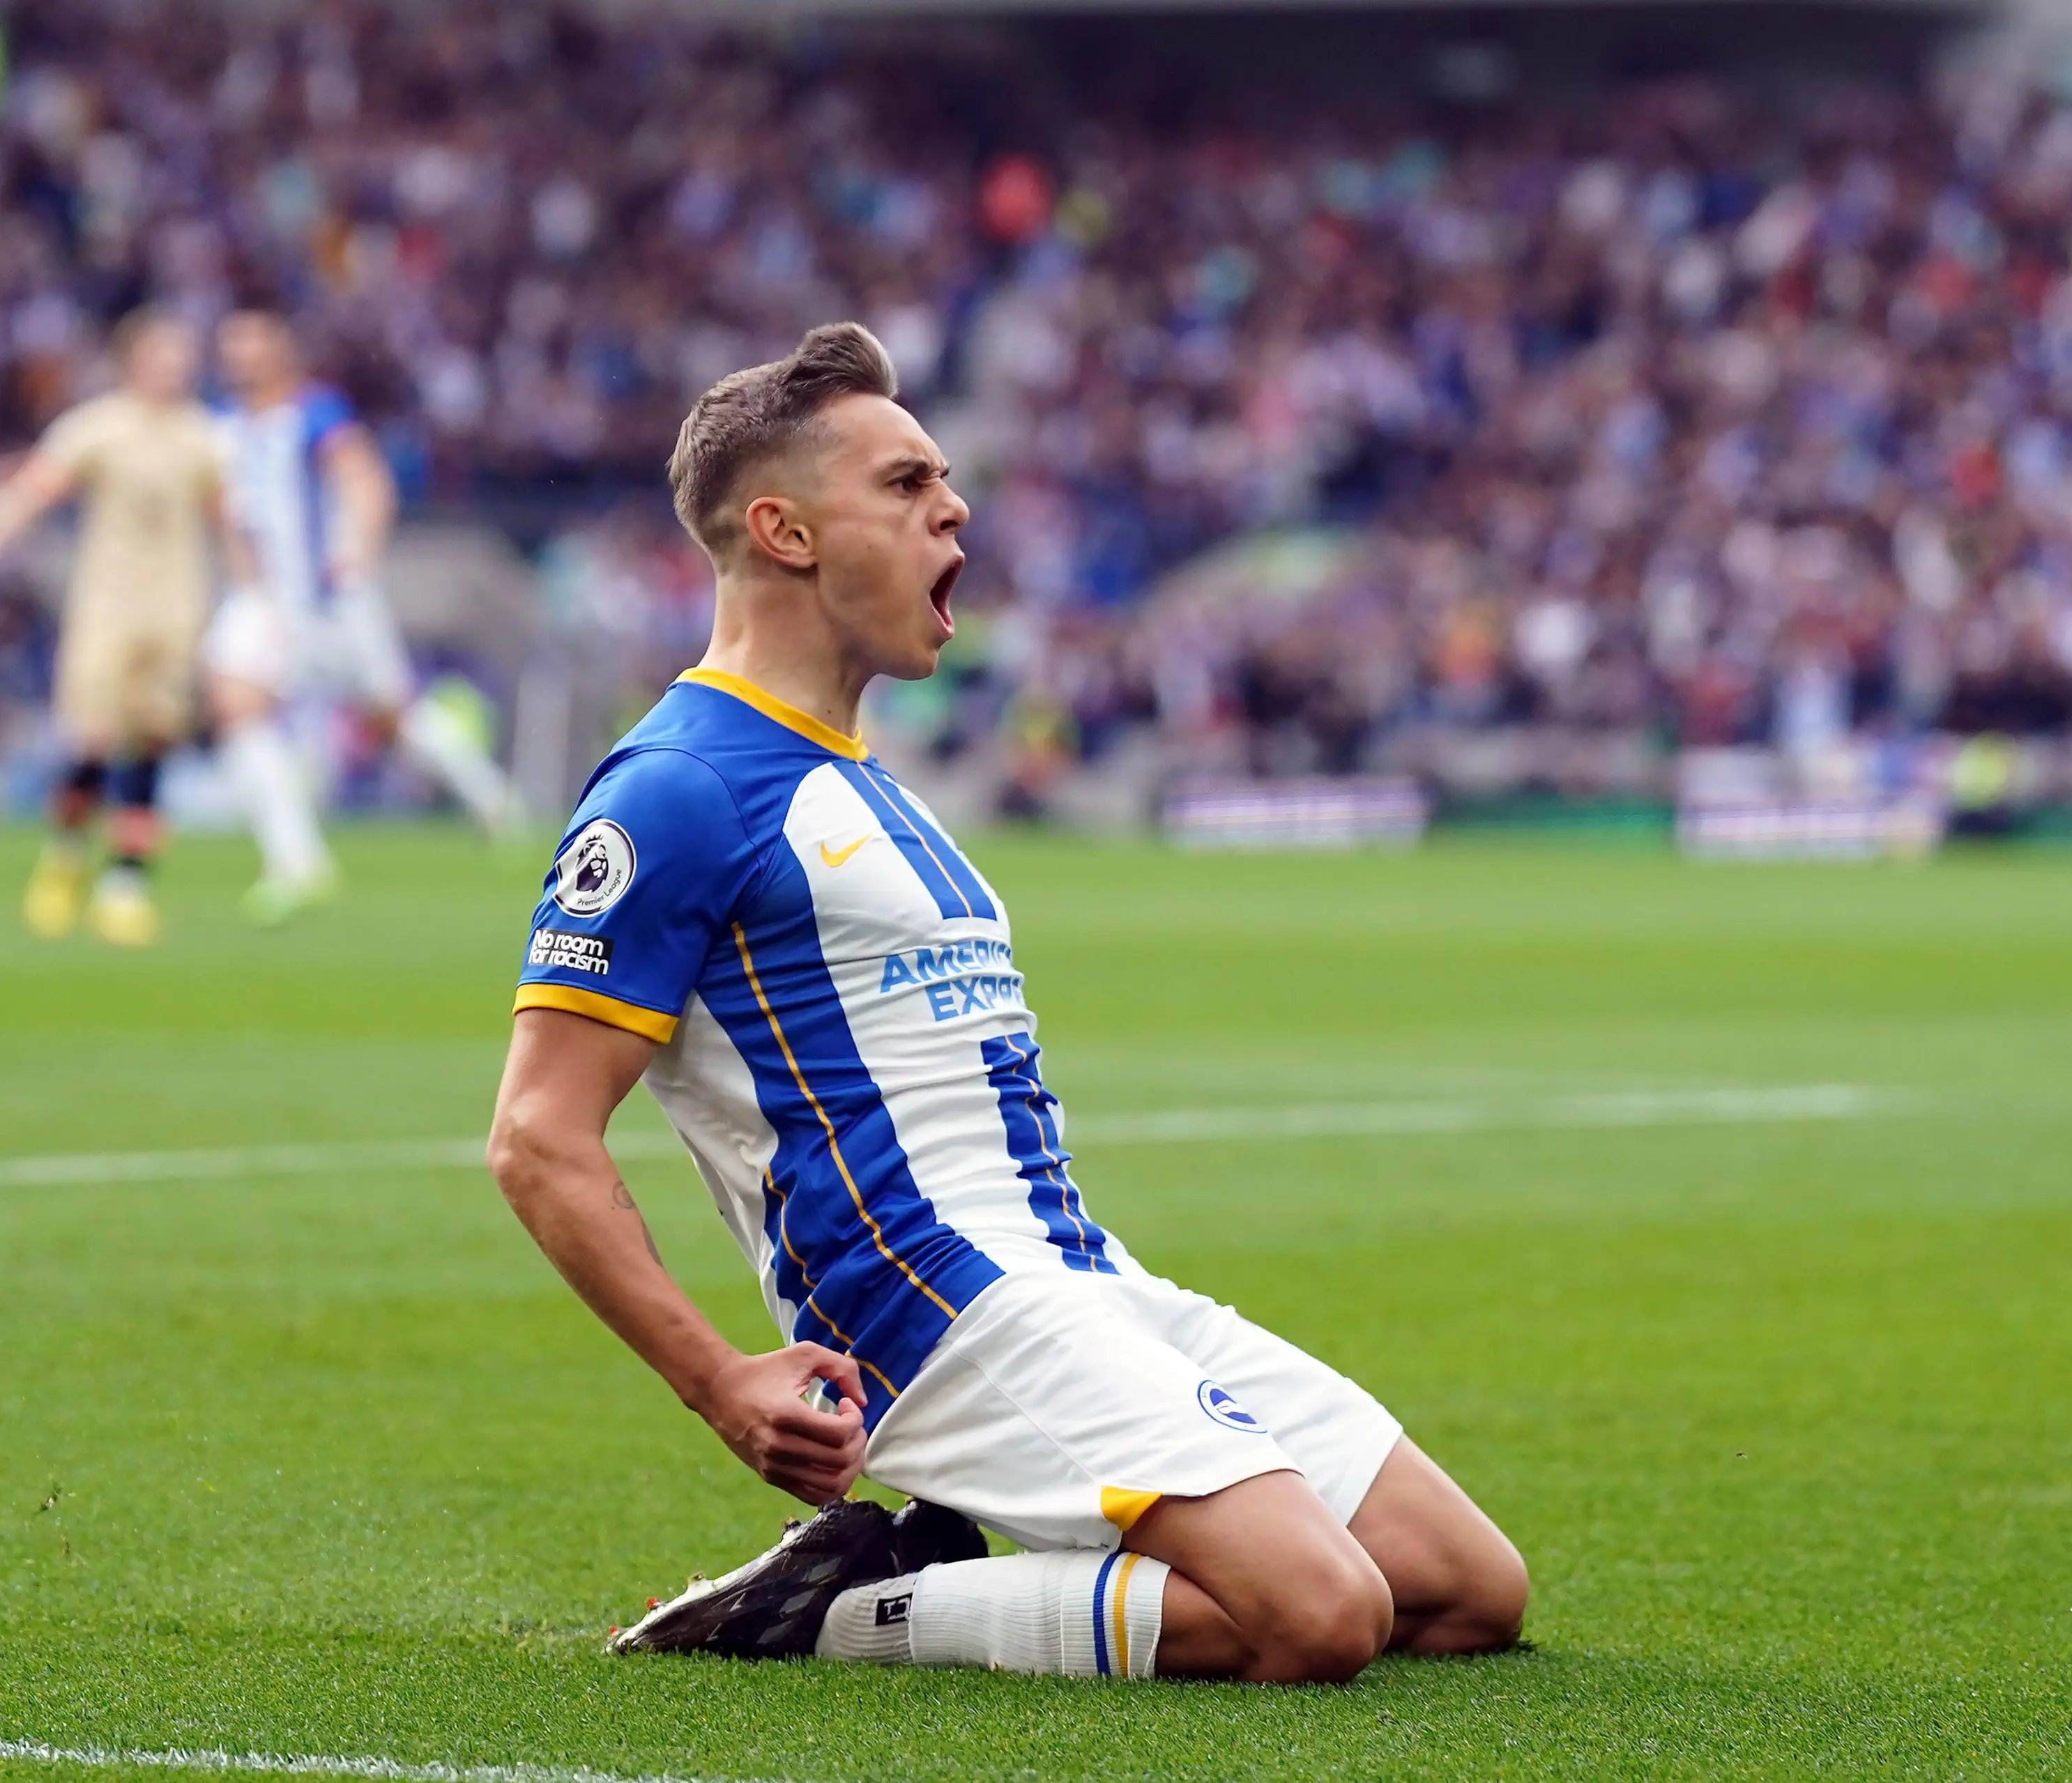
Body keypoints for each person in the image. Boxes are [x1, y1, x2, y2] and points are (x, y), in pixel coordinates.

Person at [485, 323, 1526, 1684]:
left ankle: (1022, 1562)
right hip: (937, 1308)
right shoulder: (679, 788)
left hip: (1079, 1272)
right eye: (908, 484)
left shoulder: (872, 779)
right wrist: (719, 1378)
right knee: (1320, 1614)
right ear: (787, 531)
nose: (954, 508)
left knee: (1462, 1589)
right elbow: (537, 1135)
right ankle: (832, 1617)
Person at [203, 307, 521, 928]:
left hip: (334, 597)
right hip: (270, 602)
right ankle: (298, 862)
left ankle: (490, 797)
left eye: (252, 342)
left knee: (390, 715)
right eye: (231, 344)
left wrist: (353, 556)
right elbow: (229, 516)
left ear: (280, 349)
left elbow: (366, 481)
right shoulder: (223, 428)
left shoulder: (315, 414)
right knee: (236, 703)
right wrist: (248, 582)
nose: (240, 356)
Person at [0, 311, 231, 947]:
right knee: (95, 738)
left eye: (183, 356)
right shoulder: (98, 428)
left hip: (177, 606)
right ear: (135, 359)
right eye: (165, 354)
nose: (178, 367)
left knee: (155, 738)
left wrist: (258, 591)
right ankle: (67, 854)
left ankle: (126, 884)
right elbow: (37, 488)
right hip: (109, 604)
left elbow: (227, 519)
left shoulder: (205, 436)